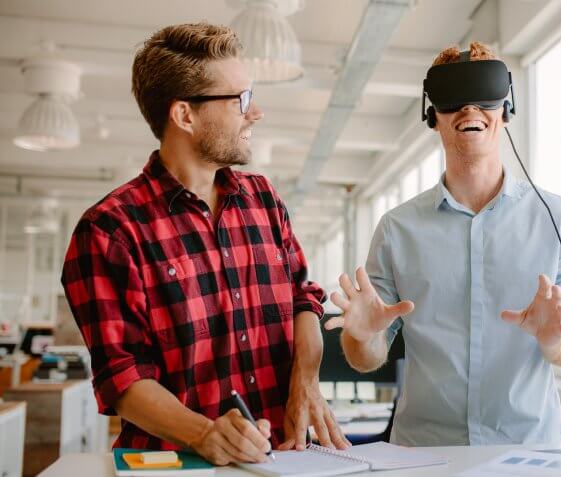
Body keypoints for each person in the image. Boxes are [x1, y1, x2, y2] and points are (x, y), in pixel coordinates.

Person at [61, 23, 349, 465]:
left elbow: (302, 297)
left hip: (282, 460)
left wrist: (305, 377)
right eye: (242, 101)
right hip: (176, 465)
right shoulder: (109, 230)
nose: (256, 114)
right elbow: (122, 376)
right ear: (185, 115)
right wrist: (204, 432)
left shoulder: (263, 199)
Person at [325, 42, 561, 446]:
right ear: (432, 115)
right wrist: (362, 336)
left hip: (528, 451)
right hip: (424, 453)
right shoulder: (397, 228)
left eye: (484, 97)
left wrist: (555, 340)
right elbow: (367, 357)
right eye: (454, 99)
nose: (470, 111)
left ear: (506, 110)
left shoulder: (557, 219)